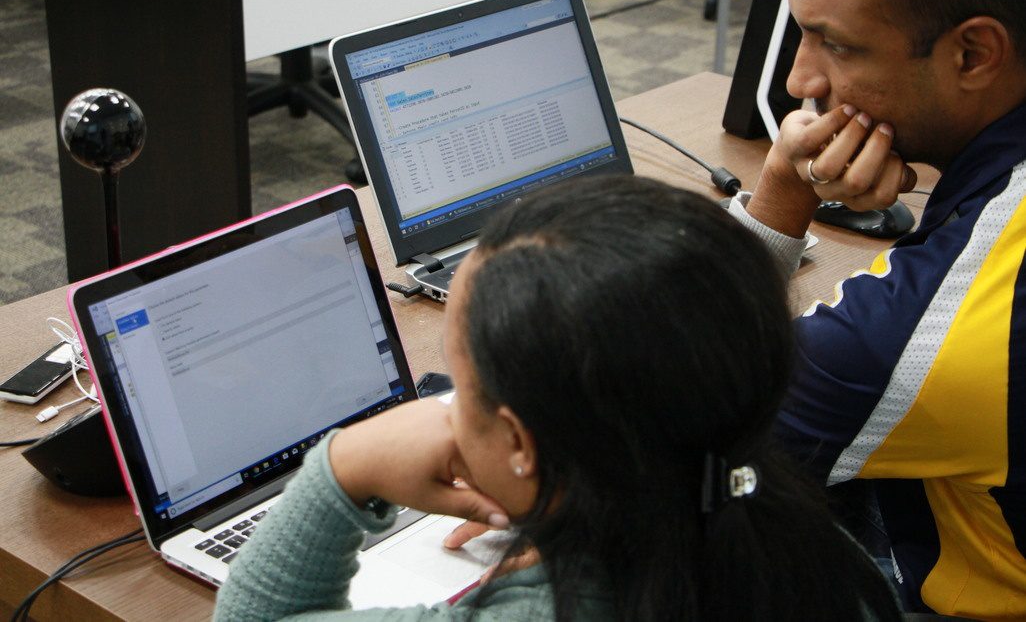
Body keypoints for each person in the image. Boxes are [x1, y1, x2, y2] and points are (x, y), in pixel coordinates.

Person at [214, 176, 900, 621]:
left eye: (460, 389)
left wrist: (344, 464)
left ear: (519, 444)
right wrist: (584, 517)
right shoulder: (815, 547)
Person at [724, 0, 1026, 617]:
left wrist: (780, 197)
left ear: (973, 54)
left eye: (836, 44)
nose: (802, 81)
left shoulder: (912, 335)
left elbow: (675, 429)